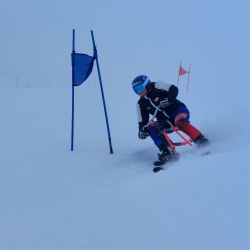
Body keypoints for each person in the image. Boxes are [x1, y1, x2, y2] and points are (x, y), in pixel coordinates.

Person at [132, 75, 210, 162]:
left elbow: (173, 89)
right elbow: (142, 121)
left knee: (179, 121)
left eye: (140, 88)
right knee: (150, 128)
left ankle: (201, 140)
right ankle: (167, 151)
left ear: (146, 84)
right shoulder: (140, 104)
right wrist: (142, 130)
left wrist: (168, 99)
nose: (139, 92)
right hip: (164, 121)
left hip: (178, 110)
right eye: (135, 90)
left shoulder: (157, 86)